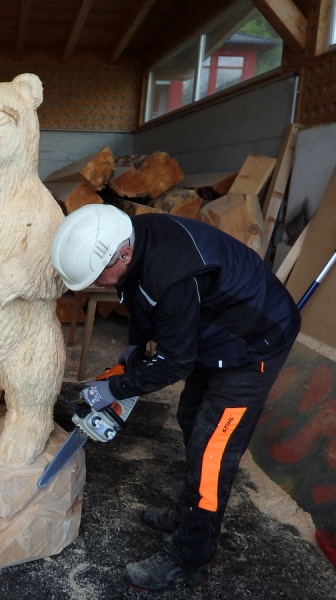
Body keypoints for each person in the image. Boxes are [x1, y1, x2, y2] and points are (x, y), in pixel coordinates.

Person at [50, 203, 301, 593]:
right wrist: (131, 353)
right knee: (190, 417)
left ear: (123, 253)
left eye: (98, 275)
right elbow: (139, 301)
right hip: (213, 330)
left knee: (212, 453)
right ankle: (189, 511)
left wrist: (115, 389)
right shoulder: (132, 238)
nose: (96, 283)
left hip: (255, 342)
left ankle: (189, 558)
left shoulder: (172, 276)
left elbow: (175, 363)